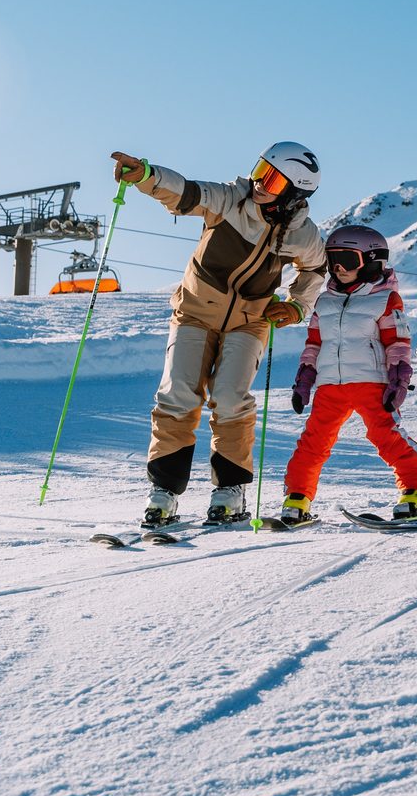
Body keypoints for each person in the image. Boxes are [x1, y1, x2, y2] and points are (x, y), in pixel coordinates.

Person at [110, 144, 328, 528]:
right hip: (195, 311)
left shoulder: (303, 235)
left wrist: (296, 306)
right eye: (260, 169)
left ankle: (230, 489)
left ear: (295, 192)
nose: (259, 181)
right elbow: (188, 192)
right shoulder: (231, 199)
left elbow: (315, 273)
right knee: (178, 392)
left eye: (273, 178)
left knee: (229, 397)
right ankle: (164, 491)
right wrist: (146, 175)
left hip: (250, 320)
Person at [279, 225, 417, 524]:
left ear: (372, 260)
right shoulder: (325, 301)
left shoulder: (386, 299)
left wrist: (398, 380)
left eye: (347, 260)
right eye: (332, 259)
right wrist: (305, 380)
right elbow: (314, 344)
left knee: (385, 435)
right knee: (313, 441)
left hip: (371, 383)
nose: (338, 268)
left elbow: (397, 343)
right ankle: (297, 497)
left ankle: (416, 493)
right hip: (329, 386)